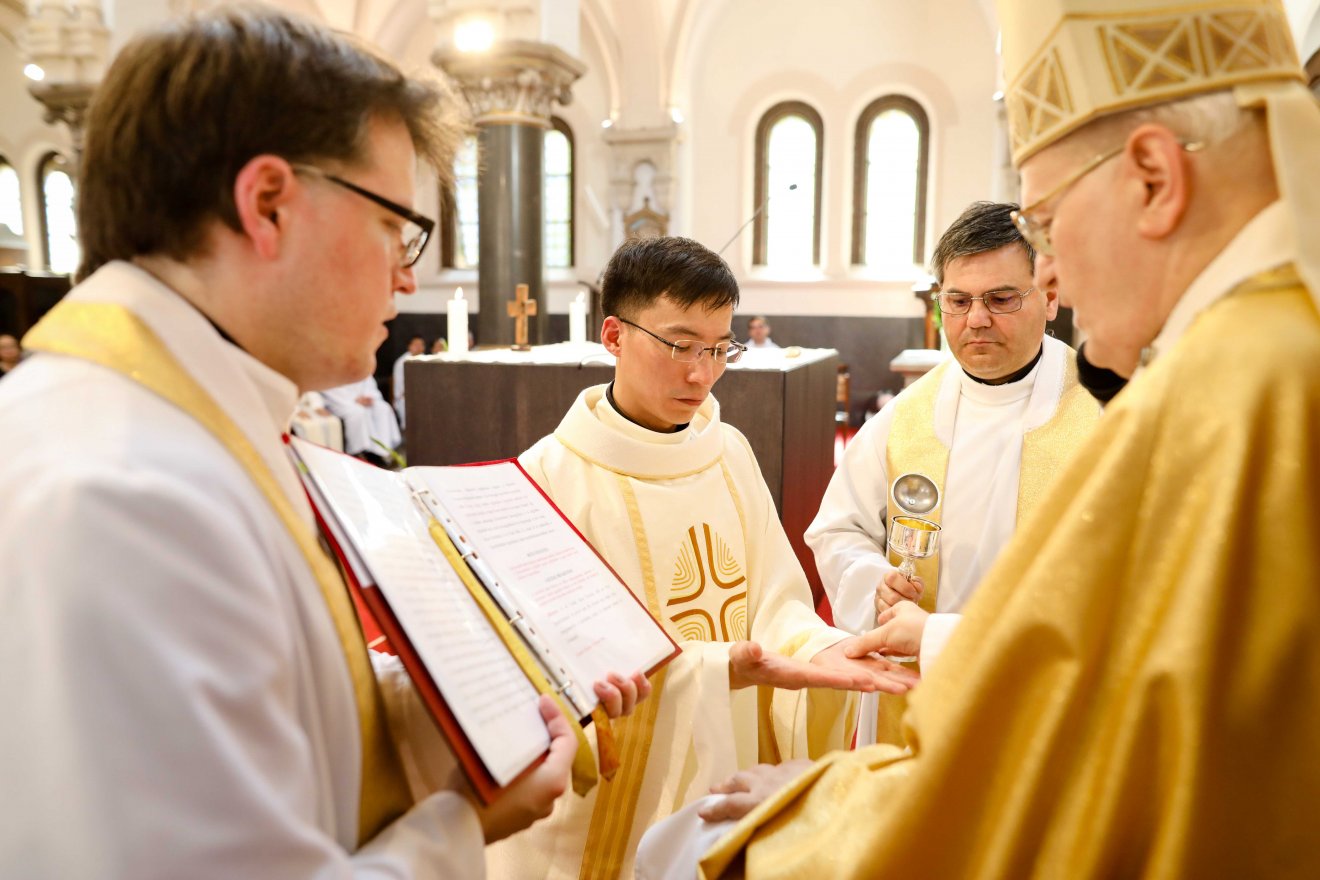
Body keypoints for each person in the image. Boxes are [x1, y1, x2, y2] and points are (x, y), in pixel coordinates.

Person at [636, 0, 1320, 876]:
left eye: (1050, 220)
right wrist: (887, 604)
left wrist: (820, 808)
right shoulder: (1258, 354)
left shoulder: (1230, 392)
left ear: (1153, 178)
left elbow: (1099, 736)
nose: (1056, 272)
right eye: (959, 298)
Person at [0, 8, 646, 877]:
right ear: (267, 204)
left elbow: (271, 700)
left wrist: (464, 711)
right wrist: (463, 822)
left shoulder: (184, 416)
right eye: (395, 226)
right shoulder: (124, 491)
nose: (408, 273)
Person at [486, 236, 917, 879]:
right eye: (680, 346)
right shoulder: (547, 481)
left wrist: (814, 648)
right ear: (613, 335)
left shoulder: (729, 451)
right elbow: (551, 666)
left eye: (719, 349)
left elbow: (774, 602)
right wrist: (717, 669)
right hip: (612, 805)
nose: (701, 373)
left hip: (730, 751)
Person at [805, 200, 1100, 744]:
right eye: (957, 301)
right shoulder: (907, 416)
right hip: (918, 703)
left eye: (1001, 298)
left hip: (1047, 704)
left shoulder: (1106, 412)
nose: (976, 319)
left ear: (1051, 297)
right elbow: (838, 529)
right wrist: (877, 587)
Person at [323, 373, 402, 461]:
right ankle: (358, 451)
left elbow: (368, 382)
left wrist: (368, 397)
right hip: (342, 402)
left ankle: (383, 450)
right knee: (358, 413)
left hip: (362, 399)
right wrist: (354, 400)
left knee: (383, 408)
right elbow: (329, 387)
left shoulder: (359, 364)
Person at [392, 333, 425, 426]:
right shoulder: (402, 362)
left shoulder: (425, 360)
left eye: (421, 345)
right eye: (416, 345)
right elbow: (400, 388)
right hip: (404, 398)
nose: (419, 347)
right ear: (409, 346)